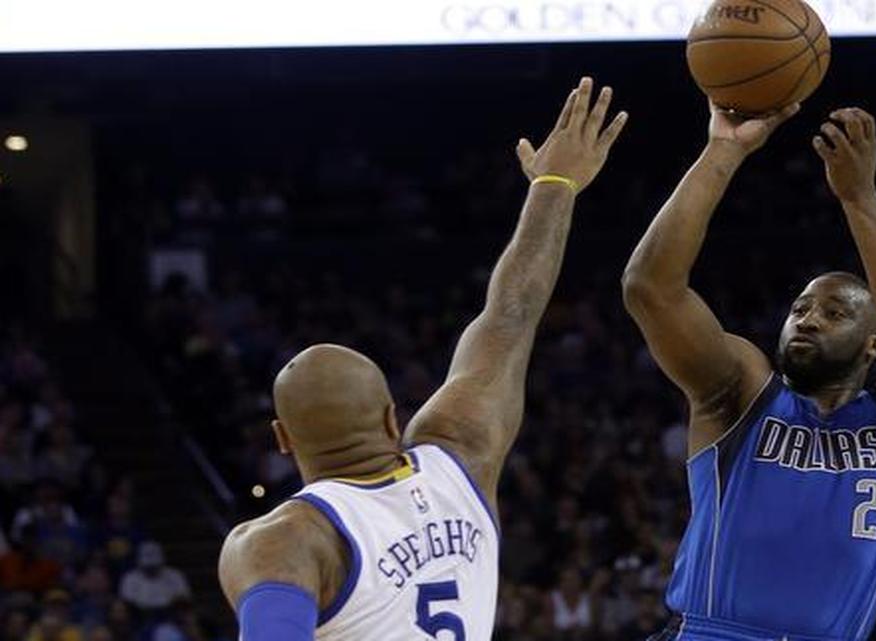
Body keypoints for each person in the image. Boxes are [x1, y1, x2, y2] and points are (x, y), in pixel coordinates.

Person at [217, 76, 628, 641]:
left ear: (282, 438)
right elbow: (510, 313)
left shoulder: (282, 540)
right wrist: (555, 185)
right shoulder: (461, 456)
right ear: (392, 418)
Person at [622, 101, 876, 640]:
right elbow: (650, 288)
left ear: (875, 344)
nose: (807, 321)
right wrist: (724, 151)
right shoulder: (740, 390)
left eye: (833, 312)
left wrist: (859, 197)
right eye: (799, 309)